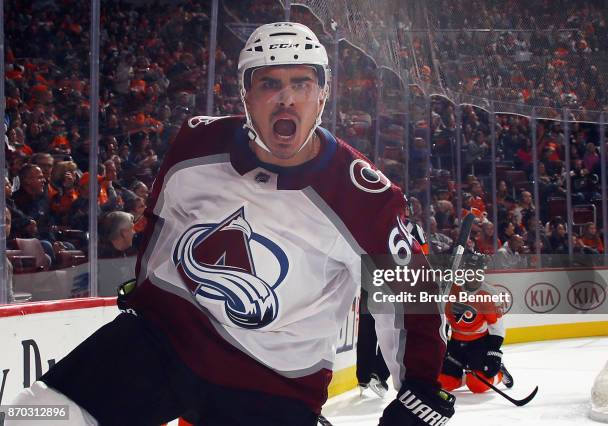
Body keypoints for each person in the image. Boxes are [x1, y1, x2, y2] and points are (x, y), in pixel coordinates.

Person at [9, 22, 454, 426]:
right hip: (164, 342)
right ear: (246, 95)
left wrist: (419, 386)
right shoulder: (196, 143)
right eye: (270, 84)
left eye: (302, 82)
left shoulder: (366, 198)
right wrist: (146, 291)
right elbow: (160, 226)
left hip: (272, 384)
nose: (287, 97)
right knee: (37, 417)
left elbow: (412, 295)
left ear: (323, 94)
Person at [438, 252, 513, 394]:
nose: (474, 276)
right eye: (470, 271)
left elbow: (497, 328)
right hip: (455, 343)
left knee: (477, 385)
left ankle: (499, 373)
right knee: (443, 382)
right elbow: (444, 320)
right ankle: (465, 376)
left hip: (479, 344)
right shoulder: (451, 289)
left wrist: (494, 352)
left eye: (478, 272)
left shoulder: (490, 294)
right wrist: (443, 345)